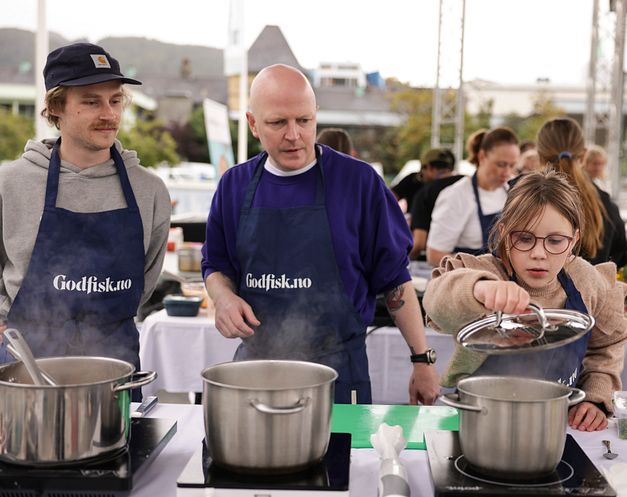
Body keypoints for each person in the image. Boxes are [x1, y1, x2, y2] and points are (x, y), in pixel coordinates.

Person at [201, 64, 440, 405]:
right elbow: (216, 265)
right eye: (278, 122)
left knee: (340, 459)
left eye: (304, 120)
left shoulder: (359, 183)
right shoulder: (234, 186)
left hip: (340, 373)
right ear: (253, 124)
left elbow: (394, 281)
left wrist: (422, 360)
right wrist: (223, 298)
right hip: (257, 373)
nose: (294, 135)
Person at [0, 43, 171, 383]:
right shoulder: (10, 183)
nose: (109, 114)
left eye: (115, 100)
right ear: (56, 107)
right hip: (25, 368)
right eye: (92, 101)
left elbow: (145, 282)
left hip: (114, 369)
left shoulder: (149, 190)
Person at [423, 170, 627, 431]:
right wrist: (480, 289)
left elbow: (607, 345)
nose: (539, 254)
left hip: (557, 423)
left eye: (555, 241)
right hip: (477, 419)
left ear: (574, 239)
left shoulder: (585, 279)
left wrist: (596, 396)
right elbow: (437, 299)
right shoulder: (484, 271)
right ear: (503, 233)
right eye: (523, 238)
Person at [538, 118, 627, 268]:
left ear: (539, 154)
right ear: (584, 155)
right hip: (591, 289)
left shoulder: (521, 195)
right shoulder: (603, 202)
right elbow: (621, 256)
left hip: (529, 291)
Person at [426, 127, 519, 266]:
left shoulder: (512, 192)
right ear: (482, 157)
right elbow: (435, 255)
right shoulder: (456, 196)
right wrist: (480, 267)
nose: (507, 172)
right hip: (469, 280)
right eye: (501, 165)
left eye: (512, 165)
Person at [409, 148, 461, 260]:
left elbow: (419, 243)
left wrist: (405, 259)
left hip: (441, 261)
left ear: (429, 167)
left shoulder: (424, 194)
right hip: (477, 258)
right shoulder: (469, 184)